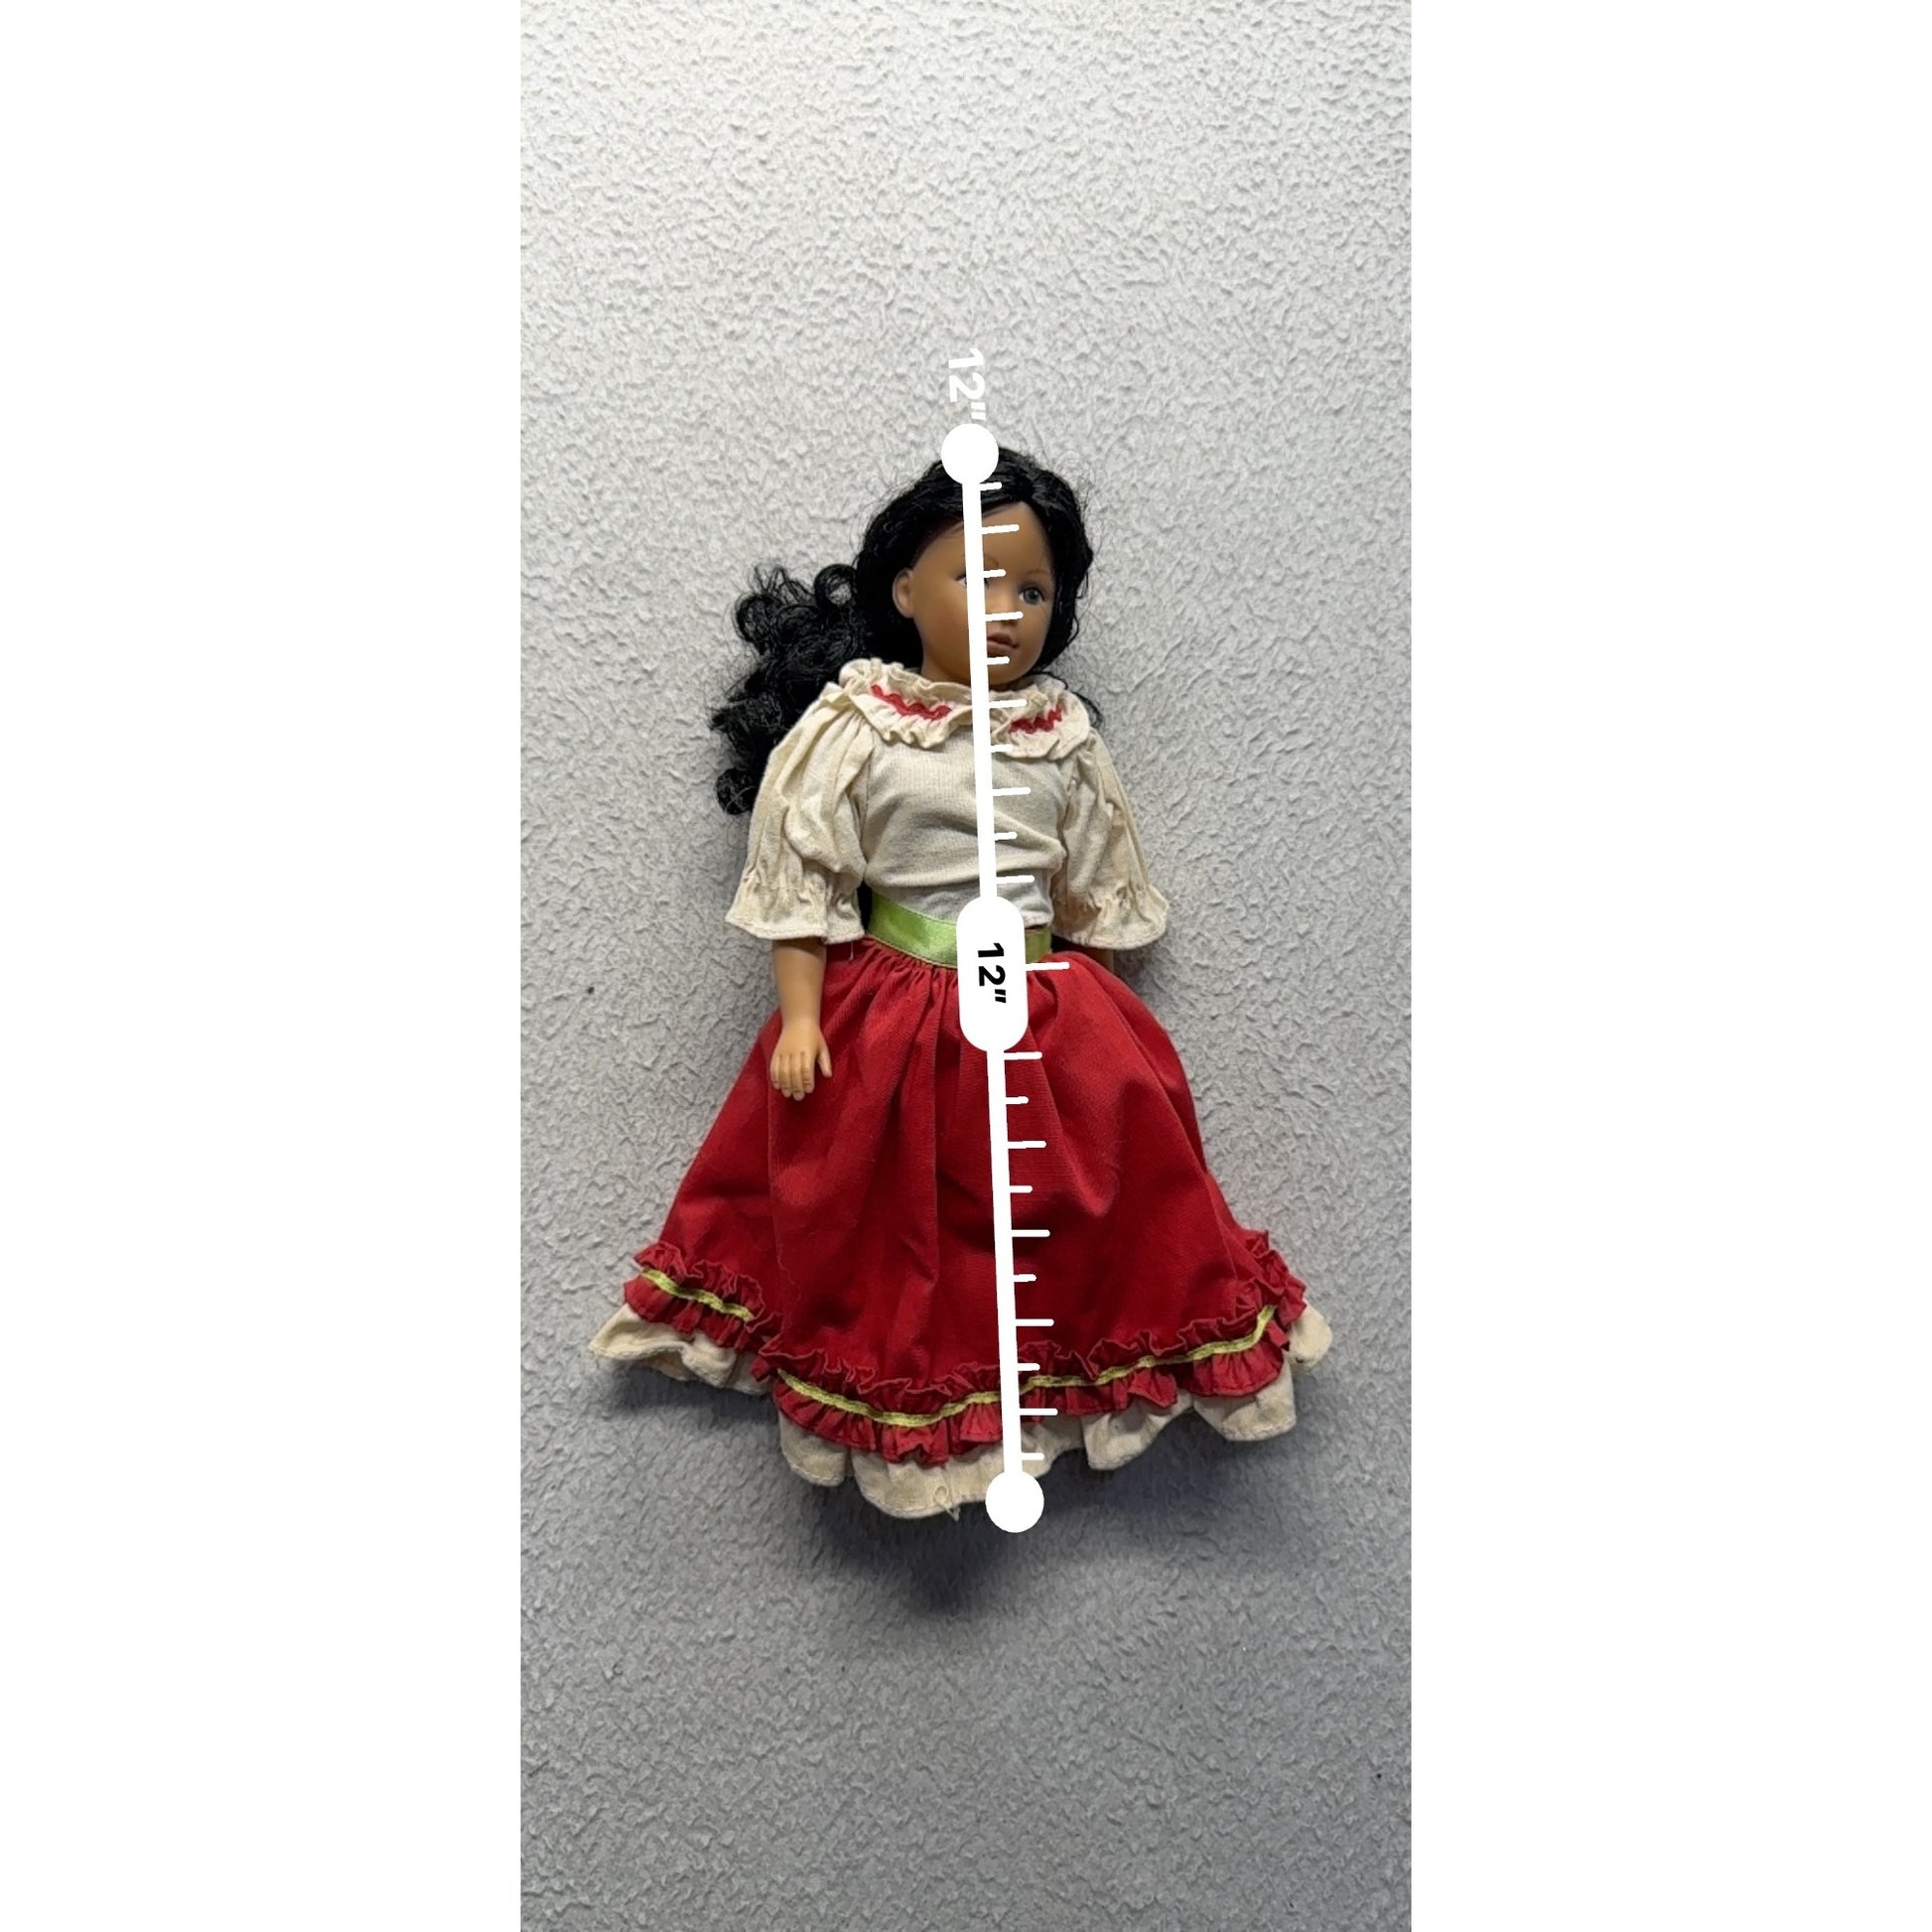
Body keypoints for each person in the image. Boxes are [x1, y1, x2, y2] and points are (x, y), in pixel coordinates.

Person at [589, 445, 1330, 1519]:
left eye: (1033, 591)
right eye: (977, 579)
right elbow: (805, 883)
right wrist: (800, 1016)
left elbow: (1093, 891)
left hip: (1045, 1006)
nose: (1007, 612)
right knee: (893, 1216)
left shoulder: (1058, 738)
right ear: (905, 590)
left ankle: (1071, 1368)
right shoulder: (859, 726)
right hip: (891, 1003)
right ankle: (923, 1404)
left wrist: (1090, 1023)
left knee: (1092, 1199)